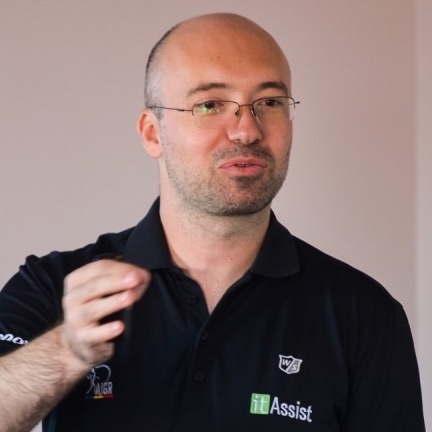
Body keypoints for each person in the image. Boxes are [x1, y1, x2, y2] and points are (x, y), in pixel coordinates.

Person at [0, 12, 425, 432]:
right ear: (152, 134)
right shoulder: (55, 287)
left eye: (270, 102)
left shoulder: (363, 314)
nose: (247, 131)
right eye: (210, 104)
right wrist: (66, 351)